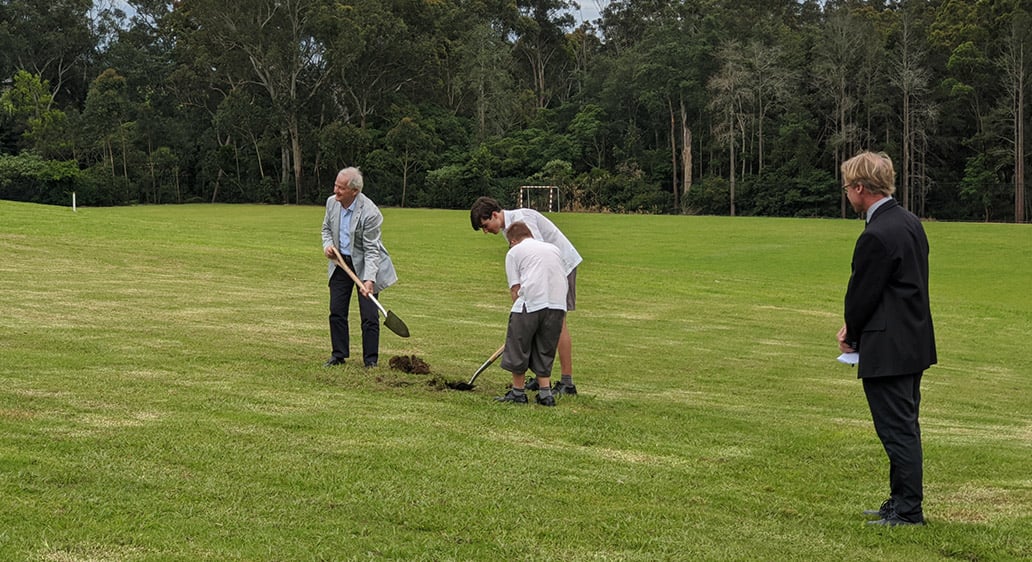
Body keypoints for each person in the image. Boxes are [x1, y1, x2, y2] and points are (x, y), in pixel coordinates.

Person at [836, 151, 936, 527]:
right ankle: (898, 502)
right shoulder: (909, 222)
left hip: (889, 347)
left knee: (897, 430)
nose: (847, 194)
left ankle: (908, 511)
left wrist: (852, 332)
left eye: (848, 187)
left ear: (860, 188)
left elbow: (863, 294)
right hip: (913, 340)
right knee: (904, 425)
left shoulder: (877, 233)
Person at [470, 196, 582, 396]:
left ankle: (567, 382)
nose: (487, 232)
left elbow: (538, 255)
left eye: (486, 226)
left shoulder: (522, 220)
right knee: (539, 320)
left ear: (495, 215)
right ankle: (541, 380)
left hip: (560, 268)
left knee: (557, 323)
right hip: (545, 271)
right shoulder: (509, 229)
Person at [321, 167, 398, 368]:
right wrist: (327, 246)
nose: (335, 190)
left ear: (354, 191)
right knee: (336, 310)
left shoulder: (371, 213)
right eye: (335, 185)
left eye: (341, 188)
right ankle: (338, 355)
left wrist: (369, 280)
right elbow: (326, 229)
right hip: (340, 263)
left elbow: (372, 250)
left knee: (370, 315)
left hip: (365, 265)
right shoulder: (332, 203)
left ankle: (370, 360)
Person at [495, 222, 567, 407]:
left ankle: (518, 392)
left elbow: (515, 288)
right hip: (558, 305)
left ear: (512, 240)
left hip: (531, 302)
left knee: (519, 346)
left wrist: (520, 320)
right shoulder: (553, 249)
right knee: (545, 347)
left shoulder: (514, 252)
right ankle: (545, 394)